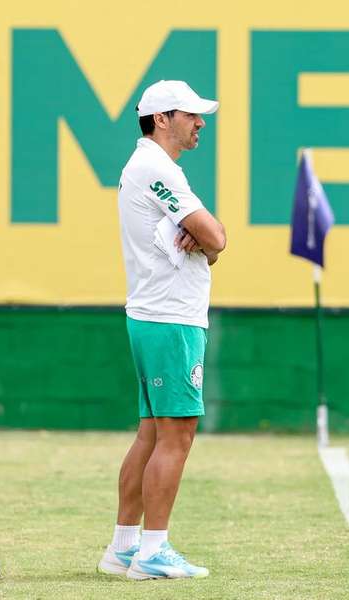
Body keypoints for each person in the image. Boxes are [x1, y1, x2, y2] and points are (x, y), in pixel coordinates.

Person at [97, 80, 226, 580]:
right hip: (171, 318)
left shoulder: (149, 167)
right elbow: (216, 237)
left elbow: (209, 245)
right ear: (161, 119)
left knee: (151, 435)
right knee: (177, 436)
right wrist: (211, 242)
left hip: (154, 315)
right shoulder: (155, 168)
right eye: (190, 115)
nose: (200, 123)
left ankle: (124, 546)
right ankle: (153, 551)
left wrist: (209, 244)